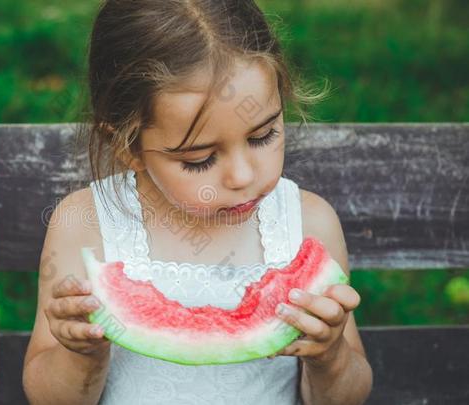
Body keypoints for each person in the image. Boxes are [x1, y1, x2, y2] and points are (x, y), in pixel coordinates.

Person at [22, 1, 373, 404]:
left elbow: (347, 395)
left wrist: (329, 358)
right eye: (199, 159)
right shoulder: (84, 225)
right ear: (127, 147)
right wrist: (80, 354)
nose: (242, 176)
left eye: (262, 136)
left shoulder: (309, 223)